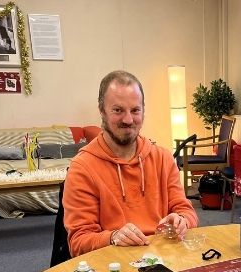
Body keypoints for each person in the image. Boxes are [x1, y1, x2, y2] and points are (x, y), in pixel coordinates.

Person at [63, 70, 198, 257]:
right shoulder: (83, 168)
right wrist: (113, 237)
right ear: (102, 110)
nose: (128, 120)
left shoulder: (163, 158)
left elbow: (187, 212)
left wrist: (182, 220)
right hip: (114, 265)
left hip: (165, 259)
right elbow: (78, 242)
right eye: (118, 110)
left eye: (135, 110)